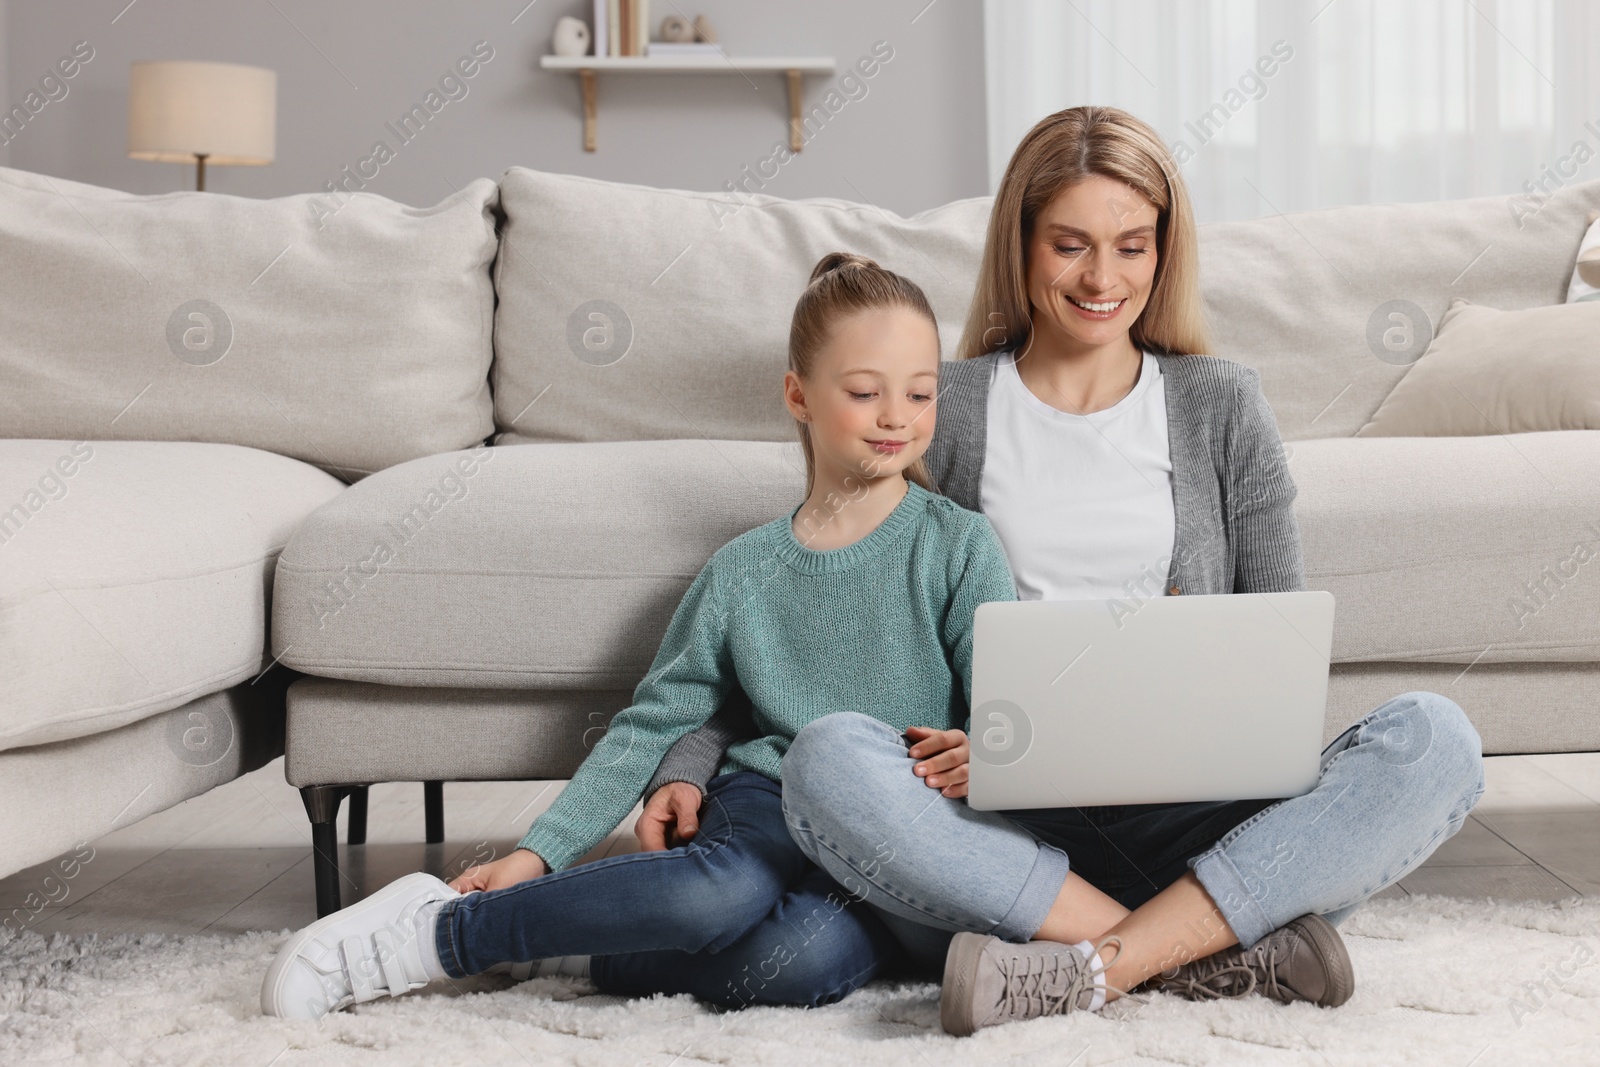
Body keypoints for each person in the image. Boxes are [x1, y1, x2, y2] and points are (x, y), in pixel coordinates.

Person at [638, 105, 1488, 1035]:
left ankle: (1088, 968)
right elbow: (804, 599)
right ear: (1022, 244)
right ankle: (1199, 954)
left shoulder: (1222, 405)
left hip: (1198, 822)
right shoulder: (943, 405)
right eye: (1070, 244)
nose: (1102, 277)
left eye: (1132, 245)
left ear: (1164, 253)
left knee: (1436, 738)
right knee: (830, 757)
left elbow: (1276, 654)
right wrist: (688, 759)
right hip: (1000, 838)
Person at [259, 251, 1029, 1020]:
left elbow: (1006, 705)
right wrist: (537, 852)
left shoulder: (960, 545)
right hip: (769, 797)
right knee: (714, 895)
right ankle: (441, 934)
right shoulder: (742, 570)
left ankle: (575, 939)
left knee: (795, 966)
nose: (898, 416)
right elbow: (652, 723)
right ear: (799, 395)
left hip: (892, 819)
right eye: (865, 392)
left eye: (921, 393)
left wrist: (979, 748)